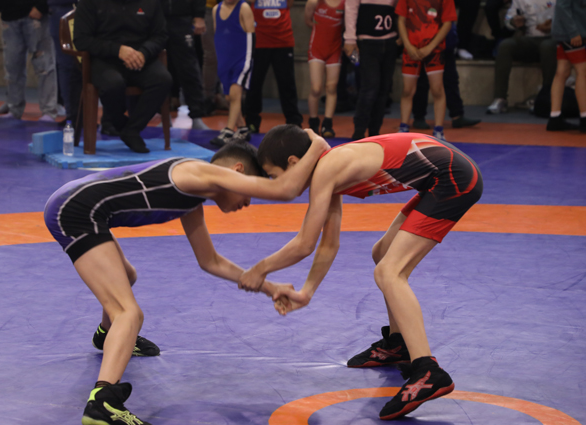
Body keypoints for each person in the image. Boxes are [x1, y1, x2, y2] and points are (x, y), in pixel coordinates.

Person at [44, 139, 328, 425]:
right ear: (237, 171)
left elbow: (210, 260)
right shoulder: (198, 172)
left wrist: (270, 287)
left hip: (85, 209)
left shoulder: (192, 196)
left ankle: (107, 335)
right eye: (249, 190)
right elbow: (285, 189)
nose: (248, 202)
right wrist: (316, 145)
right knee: (129, 314)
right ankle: (103, 404)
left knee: (127, 277)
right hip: (76, 210)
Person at [240, 124, 483, 420]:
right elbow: (328, 243)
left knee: (388, 272)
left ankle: (427, 370)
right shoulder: (327, 167)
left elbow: (304, 244)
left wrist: (259, 270)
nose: (278, 186)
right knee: (382, 254)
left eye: (274, 176)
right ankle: (398, 344)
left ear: (293, 163)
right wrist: (307, 292)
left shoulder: (327, 168)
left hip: (453, 178)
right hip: (442, 177)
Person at [73, 0, 172, 154]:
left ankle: (132, 130)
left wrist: (144, 53)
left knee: (163, 80)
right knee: (113, 84)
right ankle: (122, 125)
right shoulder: (89, 2)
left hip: (141, 58)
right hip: (105, 59)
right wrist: (117, 50)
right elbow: (81, 39)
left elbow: (160, 35)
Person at [0, 0, 59, 122]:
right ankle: (14, 108)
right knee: (12, 66)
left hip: (35, 14)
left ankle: (49, 111)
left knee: (44, 66)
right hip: (9, 16)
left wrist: (42, 6)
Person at [396, 0, 457, 141]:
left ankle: (438, 129)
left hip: (435, 51)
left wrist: (430, 47)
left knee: (437, 89)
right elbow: (401, 20)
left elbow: (447, 23)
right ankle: (403, 127)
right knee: (407, 90)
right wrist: (408, 46)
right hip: (410, 50)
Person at [244, 0, 304, 134]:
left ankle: (294, 122)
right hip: (259, 40)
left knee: (287, 83)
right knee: (254, 83)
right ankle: (251, 122)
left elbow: (290, 3)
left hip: (283, 39)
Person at [487, 0, 556, 114]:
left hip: (553, 37)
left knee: (547, 46)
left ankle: (546, 97)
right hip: (530, 38)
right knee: (505, 45)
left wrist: (554, 25)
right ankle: (500, 98)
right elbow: (508, 19)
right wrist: (514, 22)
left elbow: (570, 16)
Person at [411, 24, 481, 134]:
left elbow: (449, 21)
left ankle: (457, 115)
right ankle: (419, 117)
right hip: (423, 43)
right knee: (422, 82)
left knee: (451, 80)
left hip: (446, 44)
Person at [343, 0, 398, 140]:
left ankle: (375, 132)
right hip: (367, 42)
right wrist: (350, 38)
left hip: (389, 41)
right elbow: (351, 8)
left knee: (383, 89)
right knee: (369, 88)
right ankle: (359, 131)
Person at [210, 0, 255, 146]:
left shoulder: (243, 8)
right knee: (229, 97)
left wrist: (247, 61)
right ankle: (242, 129)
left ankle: (228, 131)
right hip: (225, 61)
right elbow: (218, 36)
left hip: (241, 60)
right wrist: (221, 61)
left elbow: (251, 37)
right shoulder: (216, 10)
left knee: (235, 95)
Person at [162, 0, 211, 130]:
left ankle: (196, 115)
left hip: (183, 19)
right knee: (159, 69)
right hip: (158, 18)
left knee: (189, 68)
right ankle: (164, 116)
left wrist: (199, 15)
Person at [305, 0, 345, 138]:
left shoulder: (344, 3)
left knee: (331, 87)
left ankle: (328, 123)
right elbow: (308, 21)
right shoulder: (314, 2)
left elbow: (347, 25)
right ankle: (313, 122)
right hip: (317, 49)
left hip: (334, 49)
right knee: (316, 88)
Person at [546, 0, 586, 133]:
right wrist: (573, 32)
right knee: (583, 71)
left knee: (562, 72)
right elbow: (562, 7)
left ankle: (555, 117)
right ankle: (584, 117)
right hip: (571, 33)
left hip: (569, 31)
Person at [48, 0, 82, 128]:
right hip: (63, 11)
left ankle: (79, 114)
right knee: (67, 66)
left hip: (85, 11)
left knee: (82, 66)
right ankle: (72, 114)